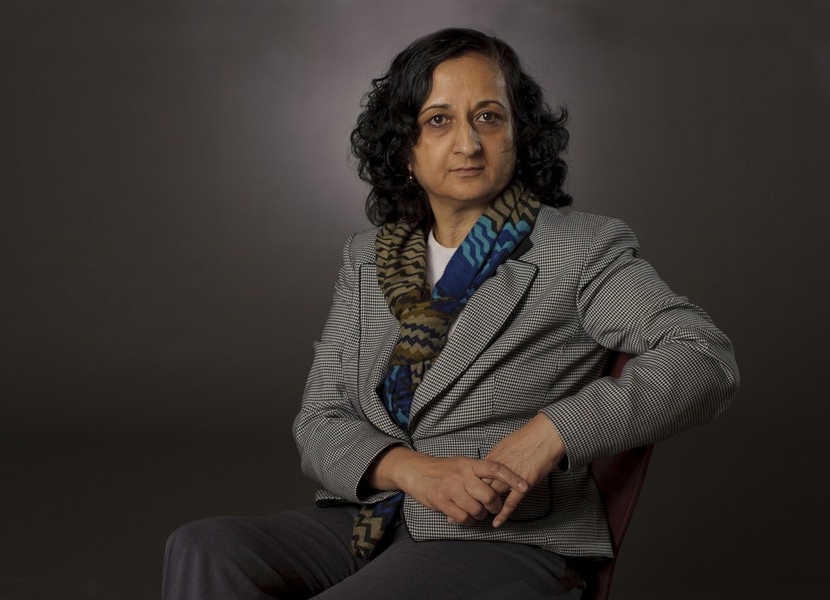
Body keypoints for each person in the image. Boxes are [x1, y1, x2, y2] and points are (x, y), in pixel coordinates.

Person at [162, 28, 739, 599]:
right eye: (439, 120)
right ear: (405, 146)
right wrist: (412, 471)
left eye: (488, 117)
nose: (467, 143)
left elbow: (703, 357)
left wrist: (551, 433)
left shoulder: (579, 249)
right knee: (203, 547)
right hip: (374, 520)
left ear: (519, 135)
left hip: (503, 539)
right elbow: (320, 421)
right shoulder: (369, 258)